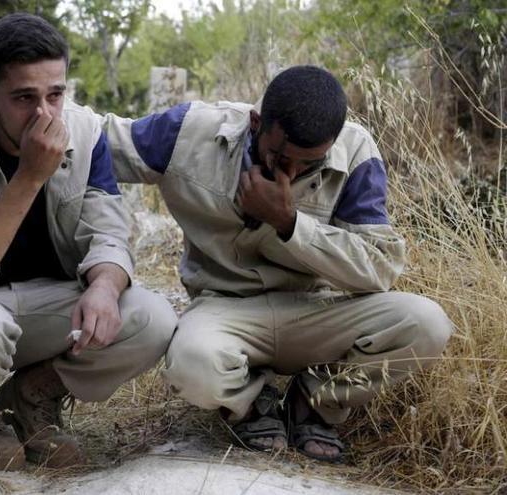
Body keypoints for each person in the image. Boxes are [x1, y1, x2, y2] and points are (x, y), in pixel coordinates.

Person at [101, 65, 452, 463]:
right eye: (282, 156)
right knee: (193, 365)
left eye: (311, 163)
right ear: (256, 123)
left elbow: (380, 269)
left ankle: (314, 402)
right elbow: (100, 142)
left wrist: (290, 223)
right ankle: (253, 405)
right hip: (224, 308)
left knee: (427, 323)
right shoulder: (191, 130)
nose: (293, 172)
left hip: (317, 310)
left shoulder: (356, 150)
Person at [0, 13, 177, 471]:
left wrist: (103, 286)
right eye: (24, 97)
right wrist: (29, 177)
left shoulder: (84, 131)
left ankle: (31, 397)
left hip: (46, 305)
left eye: (55, 94)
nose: (44, 114)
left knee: (152, 318)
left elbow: (109, 231)